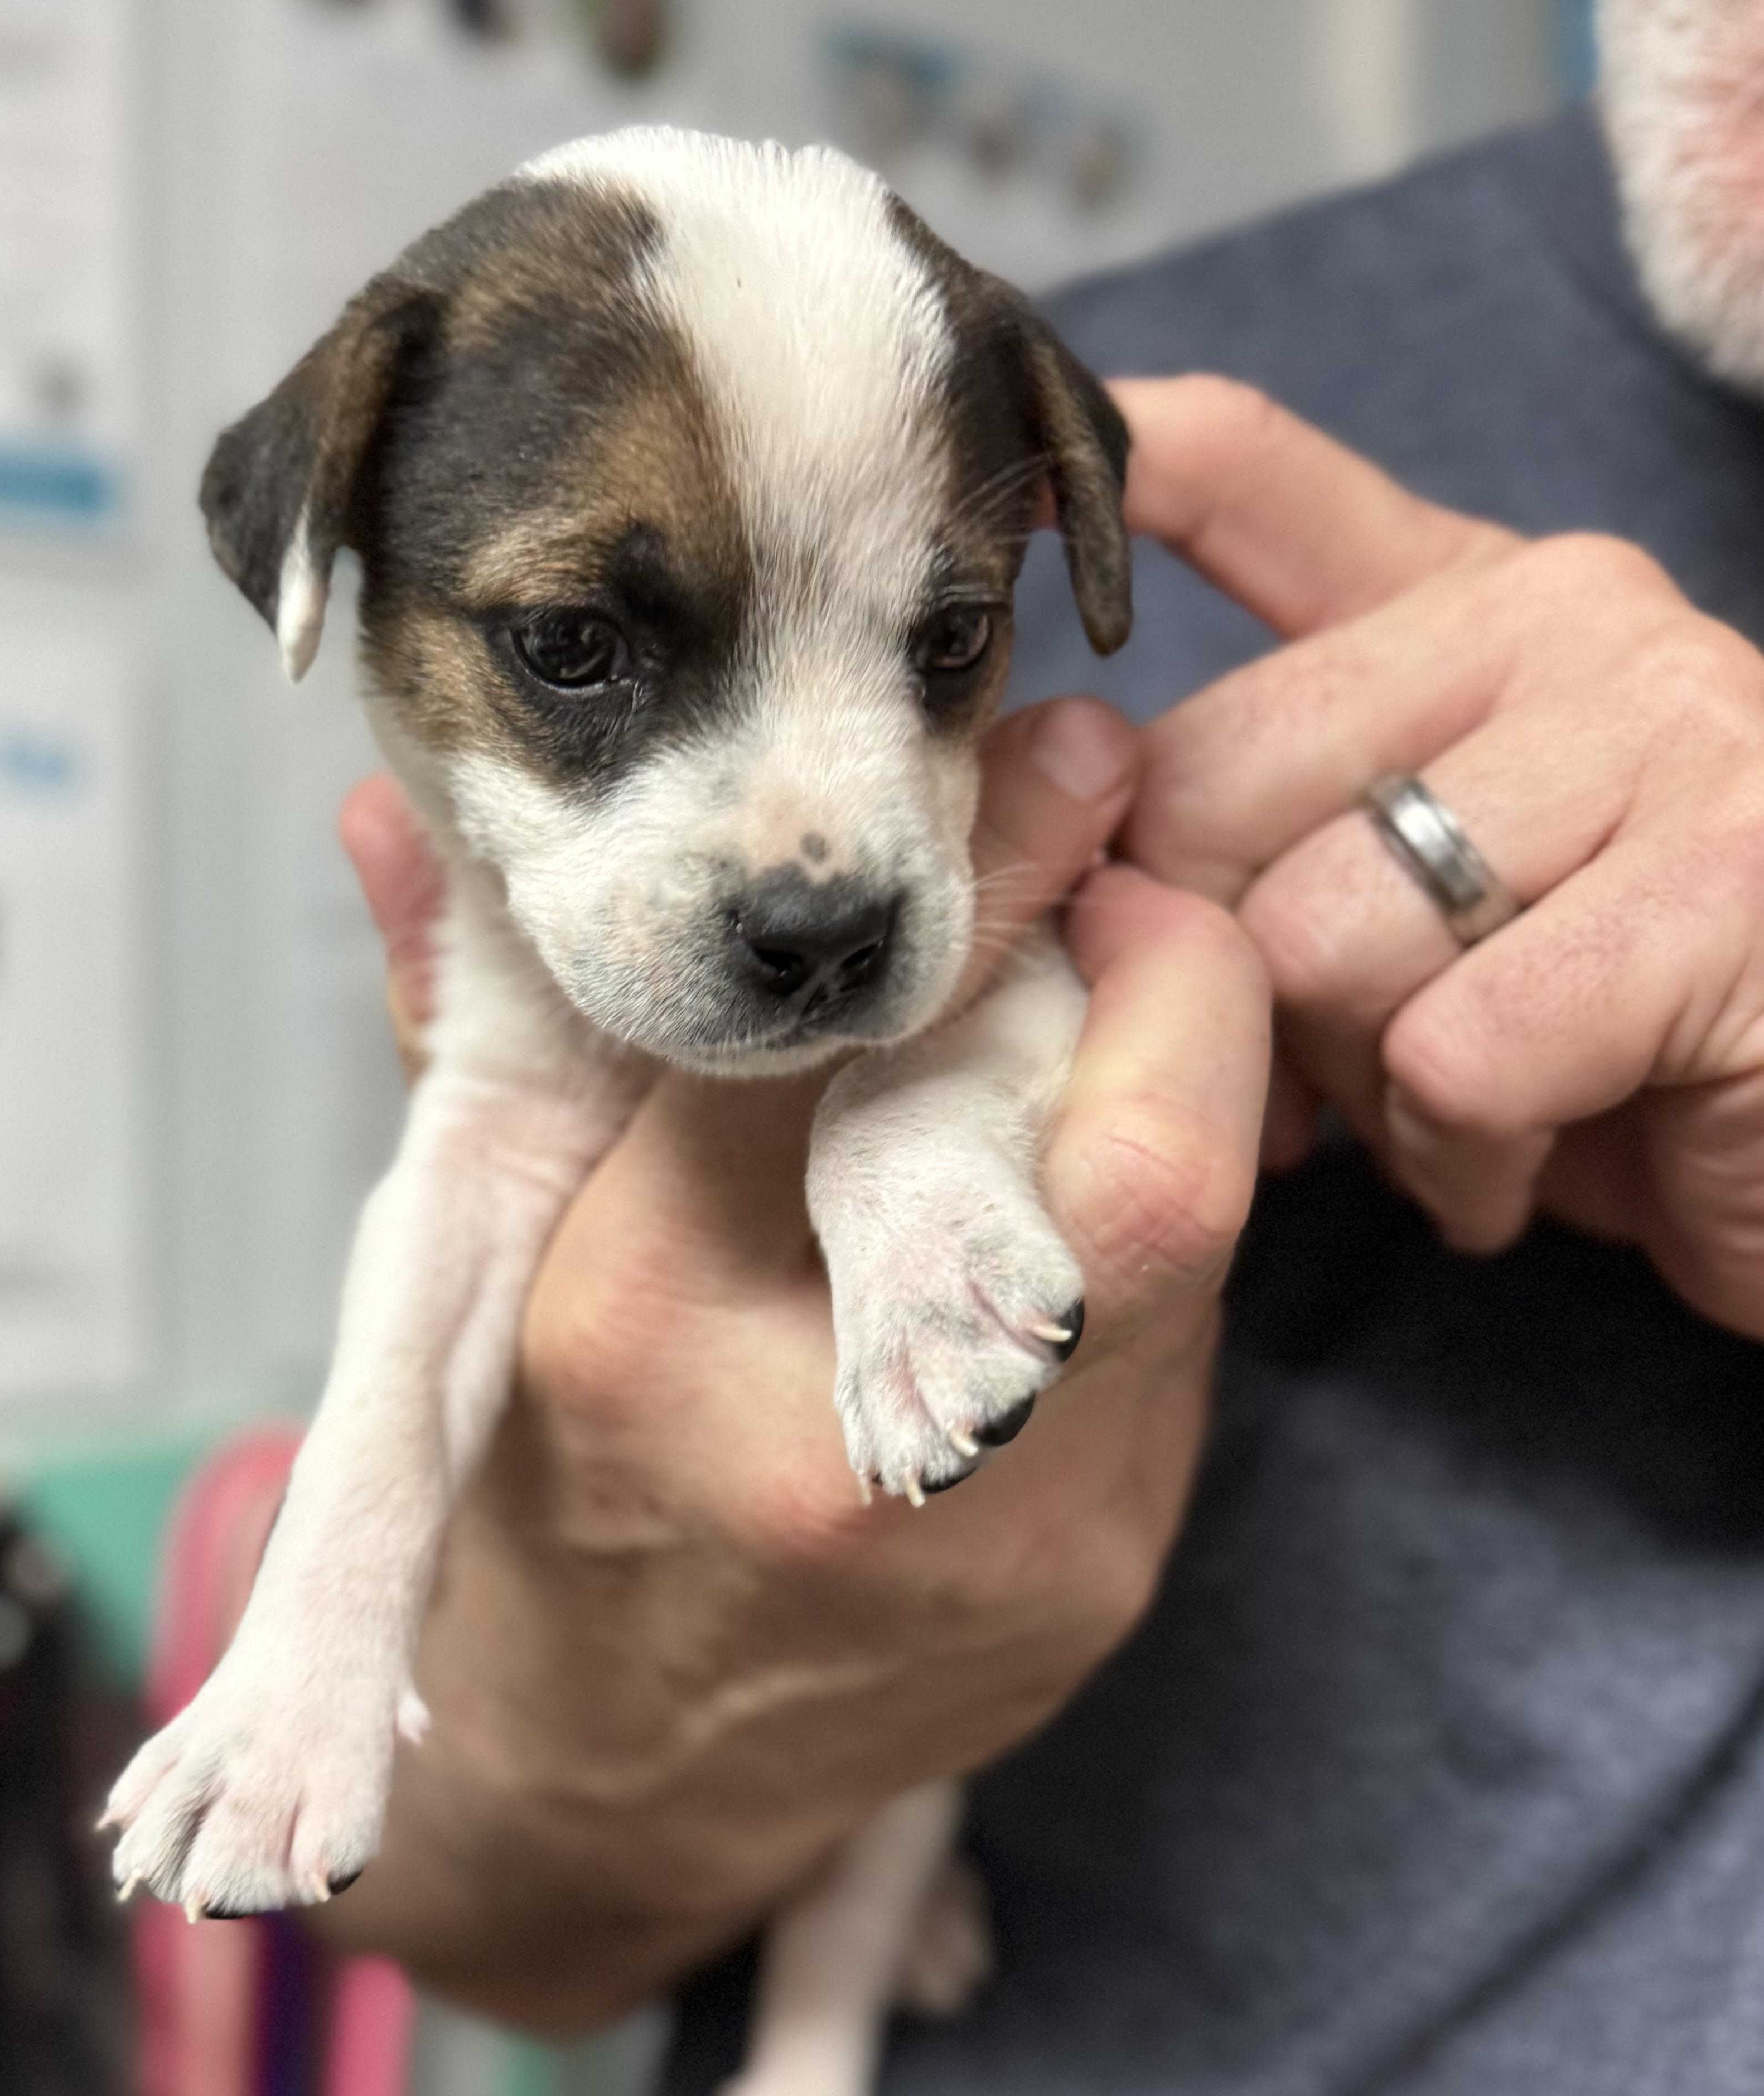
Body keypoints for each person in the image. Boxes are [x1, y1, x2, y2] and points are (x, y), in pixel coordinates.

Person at [319, 2, 1764, 2085]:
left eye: (938, 652)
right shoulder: (936, 389)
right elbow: (448, 1908)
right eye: (575, 649)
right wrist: (601, 1716)